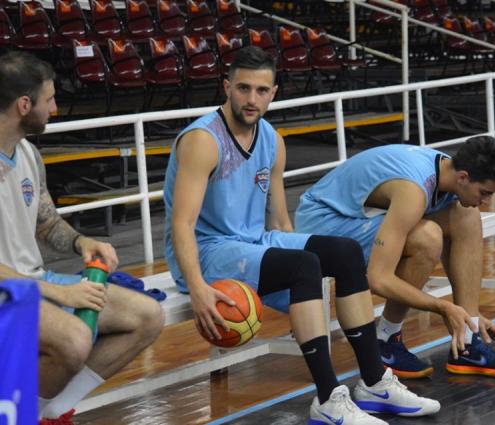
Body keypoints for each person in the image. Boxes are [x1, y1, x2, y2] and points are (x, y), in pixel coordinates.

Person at [164, 46, 440, 424]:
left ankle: (375, 383)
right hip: (208, 252)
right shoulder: (203, 141)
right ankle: (328, 401)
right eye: (243, 88)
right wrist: (196, 288)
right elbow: (182, 224)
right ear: (226, 86)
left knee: (342, 253)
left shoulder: (271, 140)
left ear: (273, 92)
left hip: (253, 241)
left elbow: (280, 223)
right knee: (303, 266)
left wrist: (302, 299)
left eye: (261, 91)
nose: (251, 99)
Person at [0, 51, 165, 424]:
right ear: (24, 105)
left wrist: (81, 243)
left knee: (147, 316)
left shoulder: (27, 153)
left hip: (34, 283)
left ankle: (45, 412)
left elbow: (46, 222)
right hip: (10, 292)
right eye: (50, 99)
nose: (55, 108)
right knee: (74, 340)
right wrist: (61, 294)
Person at [295, 137, 495, 379]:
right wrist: (444, 308)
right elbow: (378, 279)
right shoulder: (413, 190)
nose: (487, 200)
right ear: (463, 178)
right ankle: (385, 338)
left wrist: (469, 317)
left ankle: (468, 340)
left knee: (467, 217)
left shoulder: (447, 170)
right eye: (484, 192)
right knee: (428, 238)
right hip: (321, 224)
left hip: (356, 215)